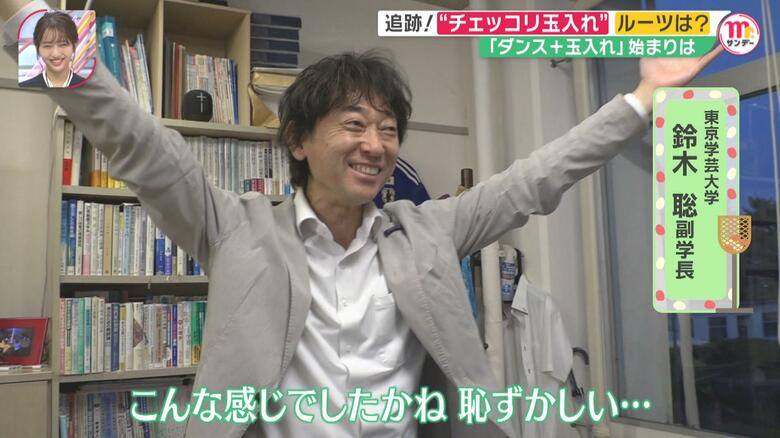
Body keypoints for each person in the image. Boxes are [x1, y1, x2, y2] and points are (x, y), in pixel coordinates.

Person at [1, 1, 722, 436]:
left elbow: (537, 177)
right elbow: (137, 141)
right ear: (298, 141)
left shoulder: (429, 229)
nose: (375, 145)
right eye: (353, 124)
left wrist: (640, 101)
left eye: (388, 129)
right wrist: (34, 26)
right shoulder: (234, 227)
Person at [18, 10, 89, 88]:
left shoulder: (89, 89)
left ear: (74, 45)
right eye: (47, 46)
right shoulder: (25, 89)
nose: (56, 54)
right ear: (37, 47)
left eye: (63, 44)